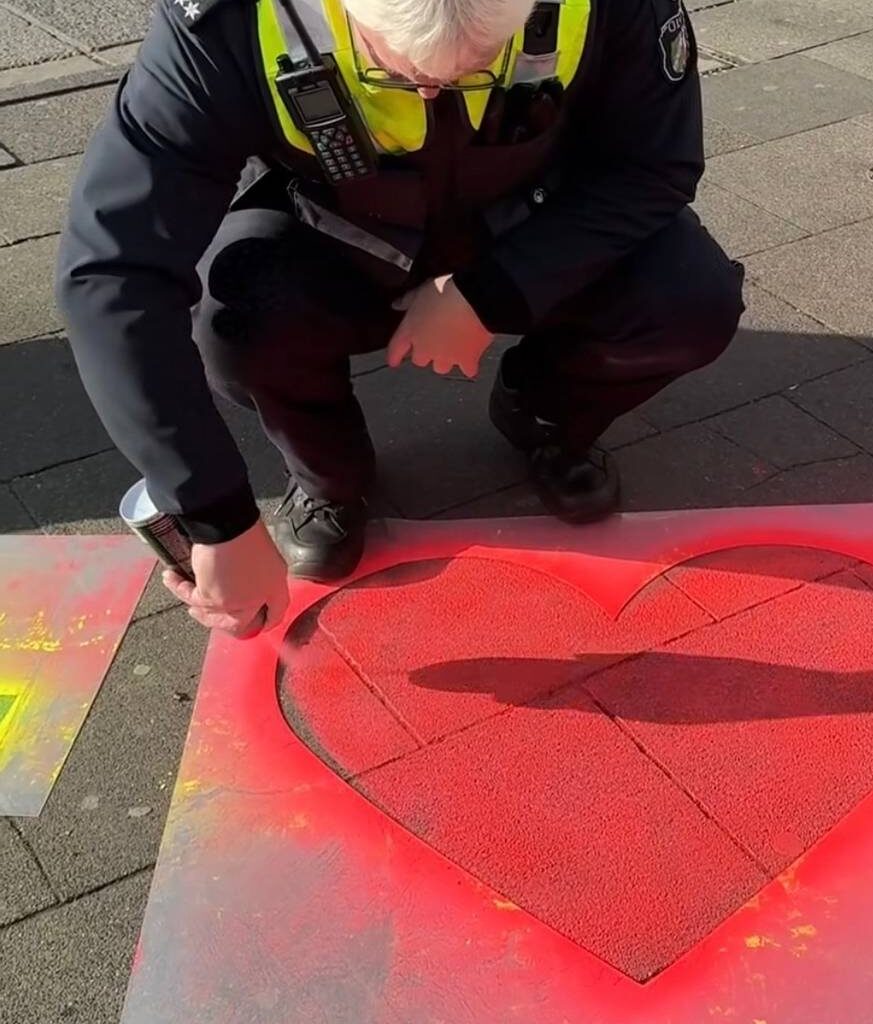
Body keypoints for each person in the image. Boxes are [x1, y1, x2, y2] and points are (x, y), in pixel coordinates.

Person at [57, 0, 746, 638]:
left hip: (529, 220)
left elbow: (654, 167)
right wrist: (217, 520)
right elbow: (115, 271)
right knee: (233, 317)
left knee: (688, 301)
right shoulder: (227, 22)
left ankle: (542, 413)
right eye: (394, 68)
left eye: (482, 64)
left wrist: (491, 294)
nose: (431, 93)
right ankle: (329, 478)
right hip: (333, 230)